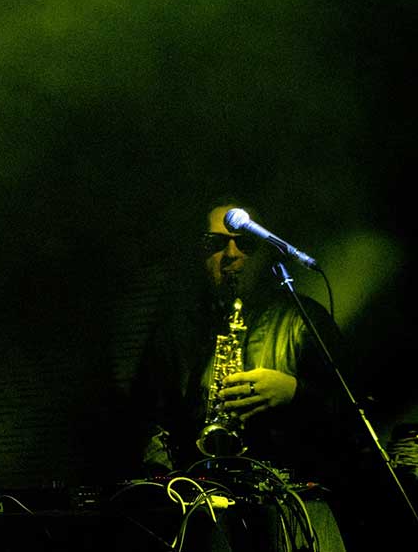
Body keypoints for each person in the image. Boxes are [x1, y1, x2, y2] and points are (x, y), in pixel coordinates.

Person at [131, 197, 357, 551]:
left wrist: (294, 392)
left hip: (291, 514)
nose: (231, 254)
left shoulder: (303, 318)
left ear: (265, 252)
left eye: (246, 243)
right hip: (203, 511)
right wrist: (171, 486)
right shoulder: (176, 332)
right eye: (215, 243)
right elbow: (147, 421)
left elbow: (355, 414)